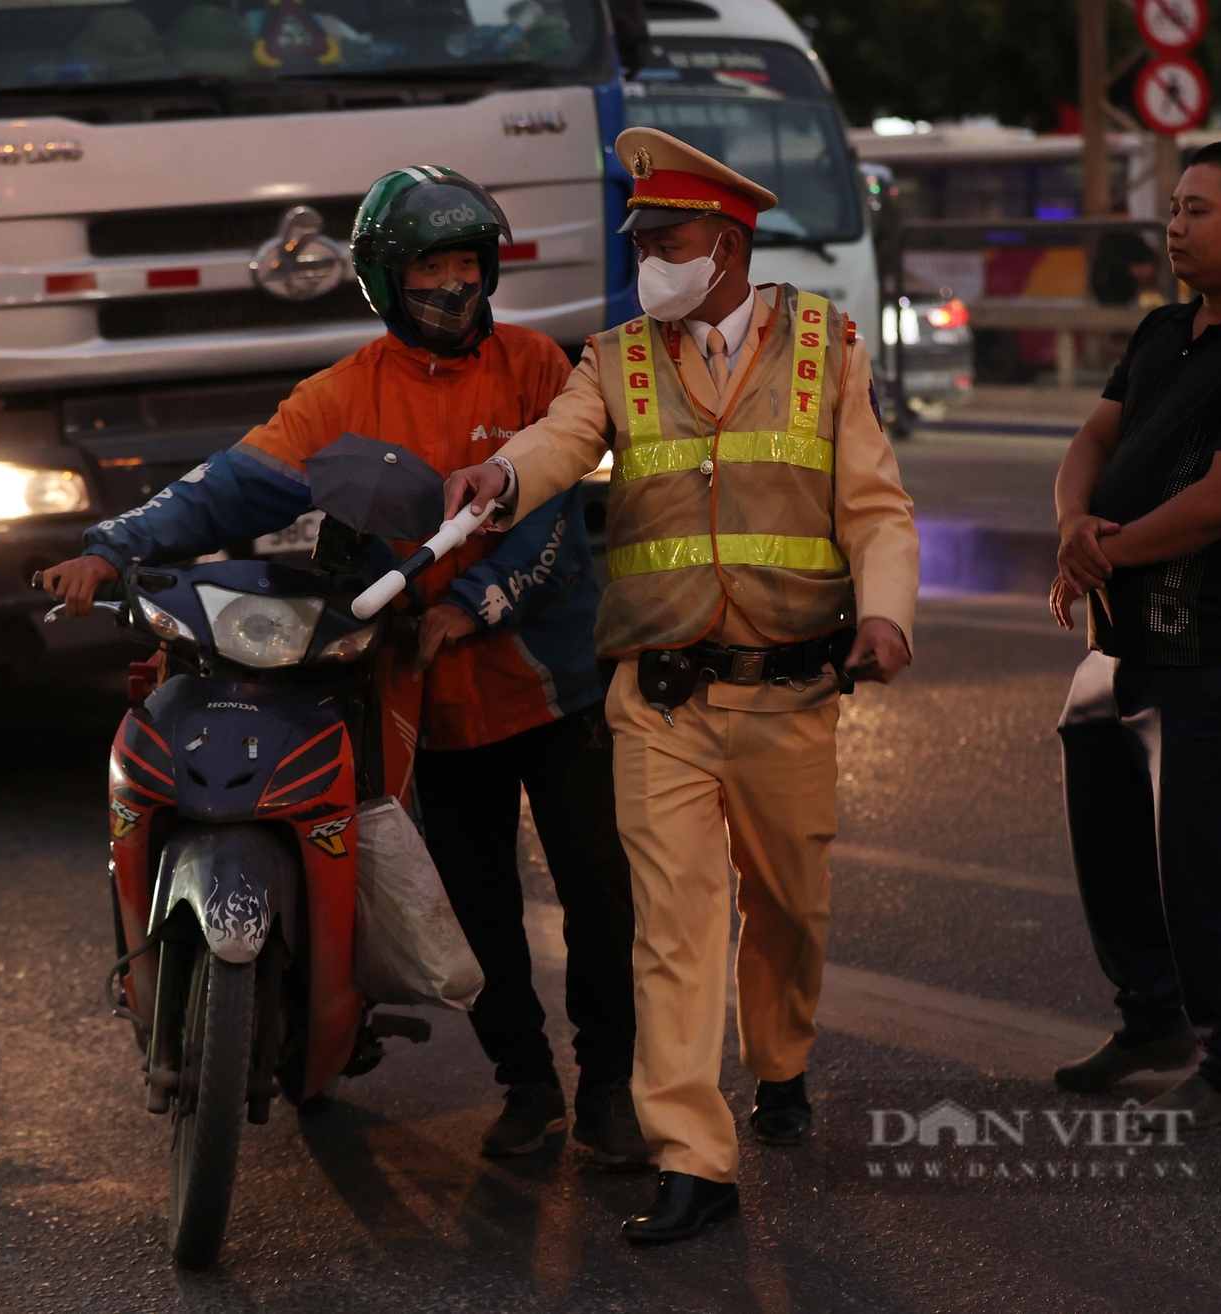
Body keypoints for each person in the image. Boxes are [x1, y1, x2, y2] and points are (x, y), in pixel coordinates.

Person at [42, 167, 651, 1168]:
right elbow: (226, 488)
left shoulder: (539, 366)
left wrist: (473, 602)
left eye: (467, 263)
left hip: (557, 686)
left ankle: (612, 1090)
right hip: (431, 703)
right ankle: (527, 1084)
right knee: (470, 902)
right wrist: (111, 545)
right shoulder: (343, 396)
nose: (454, 285)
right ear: (381, 280)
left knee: (598, 892)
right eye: (429, 268)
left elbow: (548, 529)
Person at [443, 127, 919, 1243]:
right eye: (639, 238)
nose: (647, 255)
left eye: (665, 237)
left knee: (789, 908)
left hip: (791, 689)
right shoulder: (613, 359)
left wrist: (887, 612)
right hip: (657, 700)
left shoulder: (823, 348)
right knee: (671, 926)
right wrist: (503, 473)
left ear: (726, 240)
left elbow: (875, 507)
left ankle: (783, 1058)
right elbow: (560, 443)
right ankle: (692, 1160)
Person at [1046, 141, 1221, 1129]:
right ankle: (1149, 1018)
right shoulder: (1164, 328)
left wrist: (1103, 549)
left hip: (1217, 649)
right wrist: (1070, 525)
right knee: (1108, 840)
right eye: (1171, 207)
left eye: (1196, 210)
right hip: (1115, 640)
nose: (1172, 226)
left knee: (1203, 859)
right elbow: (1093, 438)